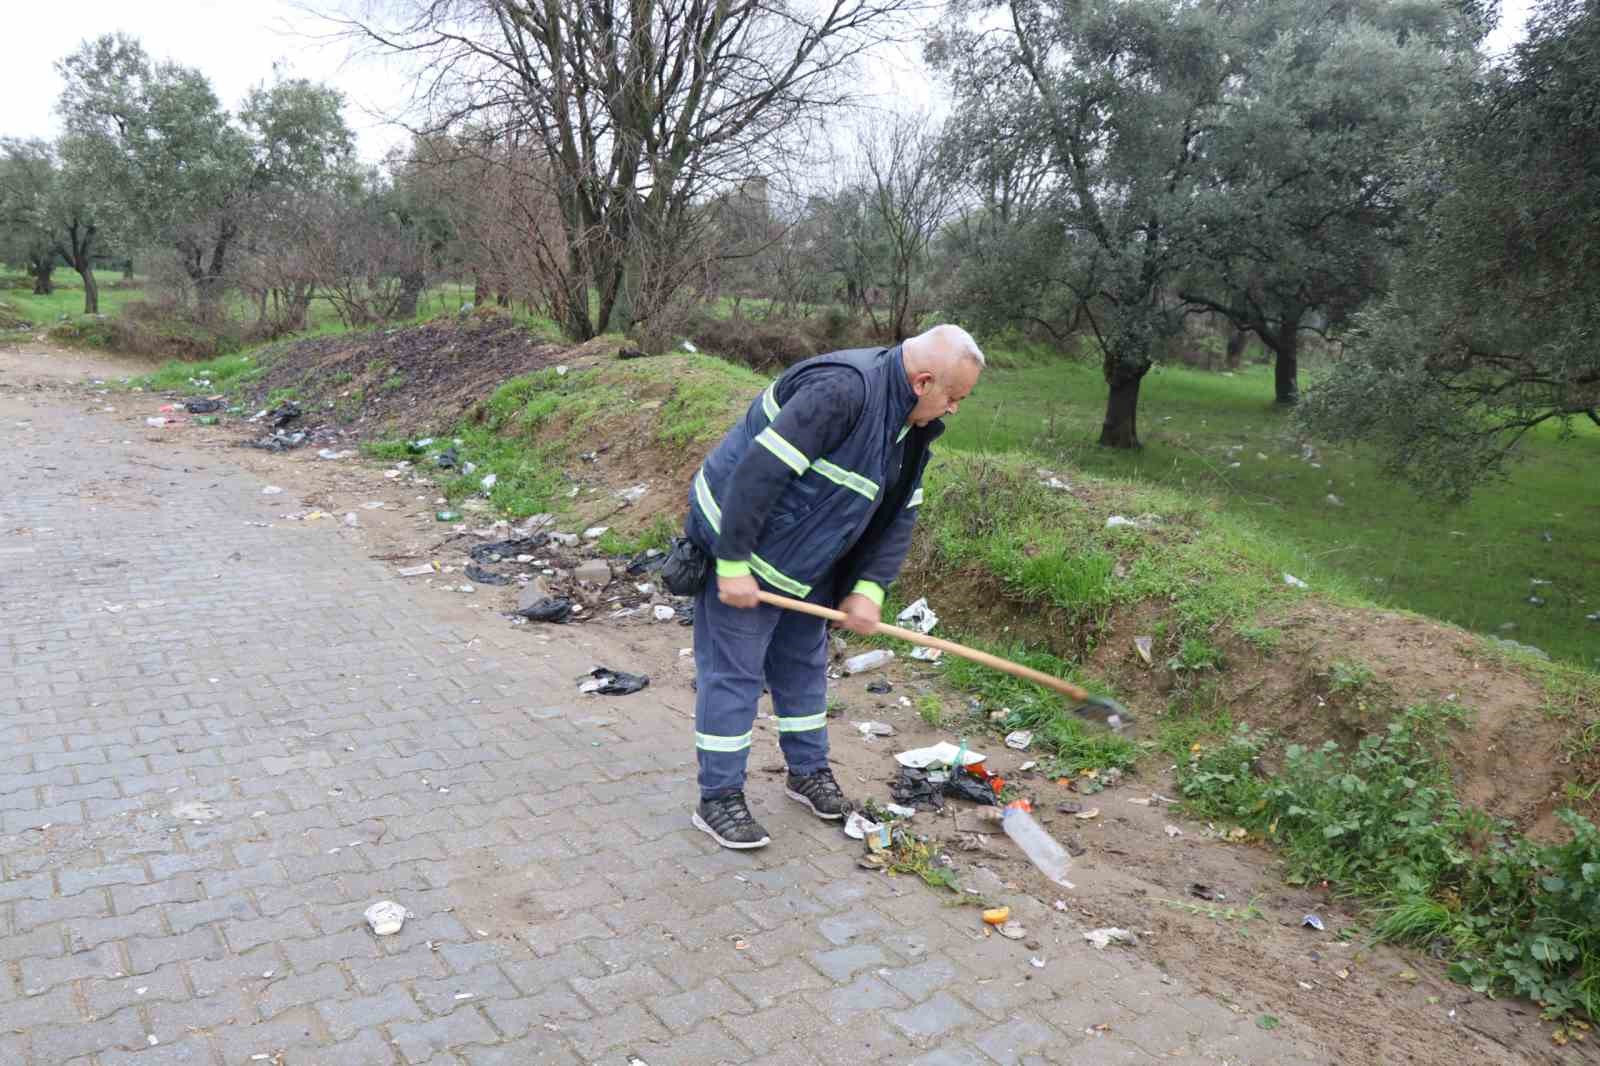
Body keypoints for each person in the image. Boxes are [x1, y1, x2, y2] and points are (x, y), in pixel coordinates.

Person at [683, 324, 985, 849]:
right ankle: (719, 799)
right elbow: (757, 474)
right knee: (734, 675)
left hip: (809, 561)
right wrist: (731, 563)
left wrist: (869, 587)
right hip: (745, 546)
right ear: (923, 381)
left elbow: (898, 518)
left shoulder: (912, 432)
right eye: (953, 397)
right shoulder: (841, 391)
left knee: (802, 666)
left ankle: (807, 773)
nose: (954, 409)